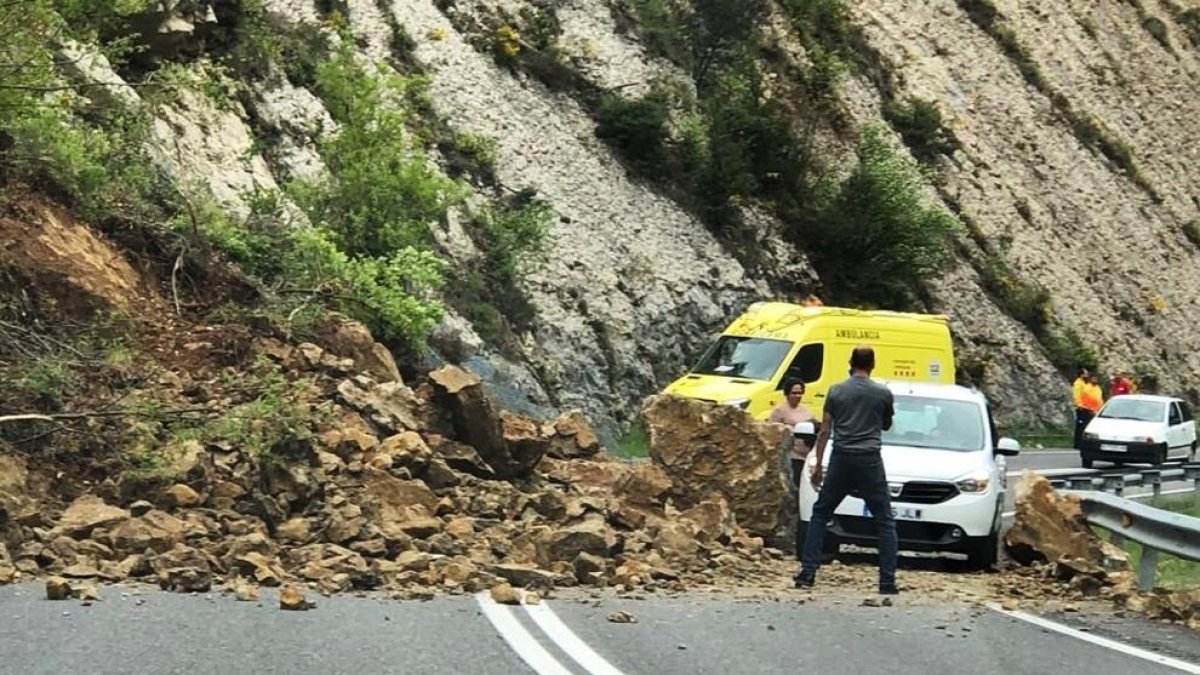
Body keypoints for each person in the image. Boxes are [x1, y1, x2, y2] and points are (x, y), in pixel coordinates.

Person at [793, 346, 898, 595]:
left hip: (842, 456)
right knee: (884, 520)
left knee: (820, 513)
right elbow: (886, 424)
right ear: (873, 365)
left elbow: (826, 429)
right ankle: (887, 580)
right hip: (870, 458)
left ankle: (808, 572)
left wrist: (818, 463)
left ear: (850, 363)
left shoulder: (836, 391)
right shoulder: (882, 393)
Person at [768, 379, 816, 487]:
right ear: (787, 393)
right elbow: (771, 430)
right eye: (794, 393)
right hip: (791, 455)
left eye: (800, 393)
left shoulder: (806, 410)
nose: (798, 396)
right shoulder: (779, 410)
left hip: (807, 454)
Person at [1072, 368, 1091, 448]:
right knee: (1080, 426)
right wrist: (1079, 404)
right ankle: (1077, 443)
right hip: (1081, 408)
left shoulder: (1083, 383)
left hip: (1086, 407)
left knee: (1084, 425)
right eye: (1086, 374)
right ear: (1082, 375)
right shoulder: (1078, 383)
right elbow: (1077, 394)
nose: (1087, 375)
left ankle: (1081, 443)